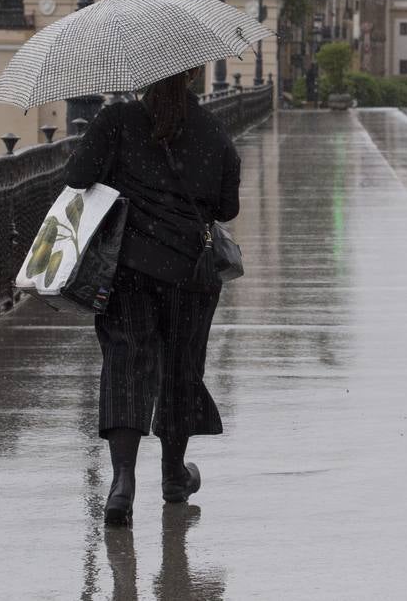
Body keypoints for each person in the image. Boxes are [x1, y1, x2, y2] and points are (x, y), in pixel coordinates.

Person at [63, 68, 241, 528]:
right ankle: (174, 476)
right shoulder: (213, 131)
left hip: (127, 268)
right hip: (190, 274)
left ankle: (122, 483)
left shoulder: (116, 120)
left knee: (126, 363)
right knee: (181, 370)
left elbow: (77, 175)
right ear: (196, 77)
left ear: (145, 73)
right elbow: (227, 207)